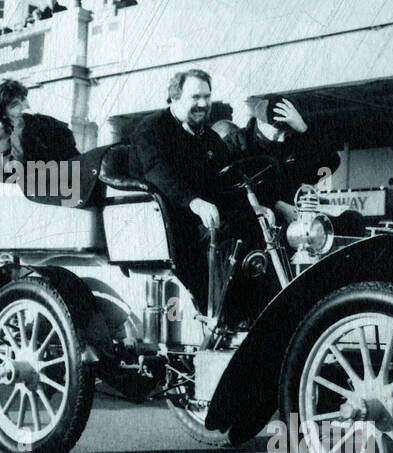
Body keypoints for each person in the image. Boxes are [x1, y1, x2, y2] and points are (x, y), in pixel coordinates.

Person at [129, 69, 262, 311]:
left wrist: (259, 206)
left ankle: (250, 311)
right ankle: (219, 315)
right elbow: (157, 171)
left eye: (207, 97)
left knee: (258, 225)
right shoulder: (152, 129)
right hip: (166, 224)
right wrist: (195, 201)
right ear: (175, 97)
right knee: (231, 232)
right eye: (195, 97)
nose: (203, 104)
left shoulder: (209, 137)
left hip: (200, 219)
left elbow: (230, 177)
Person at [218, 95, 342, 225]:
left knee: (351, 220)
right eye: (278, 131)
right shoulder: (235, 144)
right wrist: (275, 205)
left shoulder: (296, 142)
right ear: (260, 122)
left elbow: (331, 162)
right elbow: (224, 189)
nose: (282, 138)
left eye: (287, 132)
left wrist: (304, 130)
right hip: (252, 220)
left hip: (295, 220)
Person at [0, 78, 80, 203]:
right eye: (14, 105)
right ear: (4, 114)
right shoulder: (2, 138)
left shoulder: (43, 123)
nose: (23, 106)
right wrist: (20, 129)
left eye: (23, 100)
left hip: (65, 192)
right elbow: (14, 168)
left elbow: (71, 153)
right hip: (30, 201)